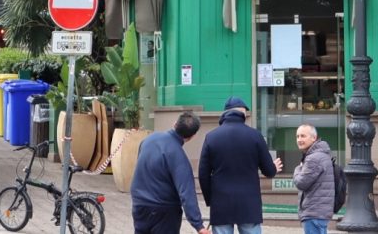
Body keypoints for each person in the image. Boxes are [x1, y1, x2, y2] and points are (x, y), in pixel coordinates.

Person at [198, 96, 281, 234]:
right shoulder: (255, 136)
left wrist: (210, 199)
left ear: (225, 113)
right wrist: (273, 168)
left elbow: (203, 174)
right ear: (243, 113)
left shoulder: (211, 137)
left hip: (221, 202)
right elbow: (268, 171)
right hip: (249, 204)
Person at [131, 110, 211, 234]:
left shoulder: (148, 140)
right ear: (192, 136)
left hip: (139, 204)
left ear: (174, 124)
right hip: (164, 210)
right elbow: (186, 193)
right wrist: (198, 225)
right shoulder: (178, 156)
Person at [293, 124, 335, 234]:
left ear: (314, 138)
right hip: (319, 211)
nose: (299, 140)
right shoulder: (321, 154)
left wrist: (298, 168)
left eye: (303, 136)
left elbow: (301, 183)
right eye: (297, 136)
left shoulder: (314, 158)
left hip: (314, 212)